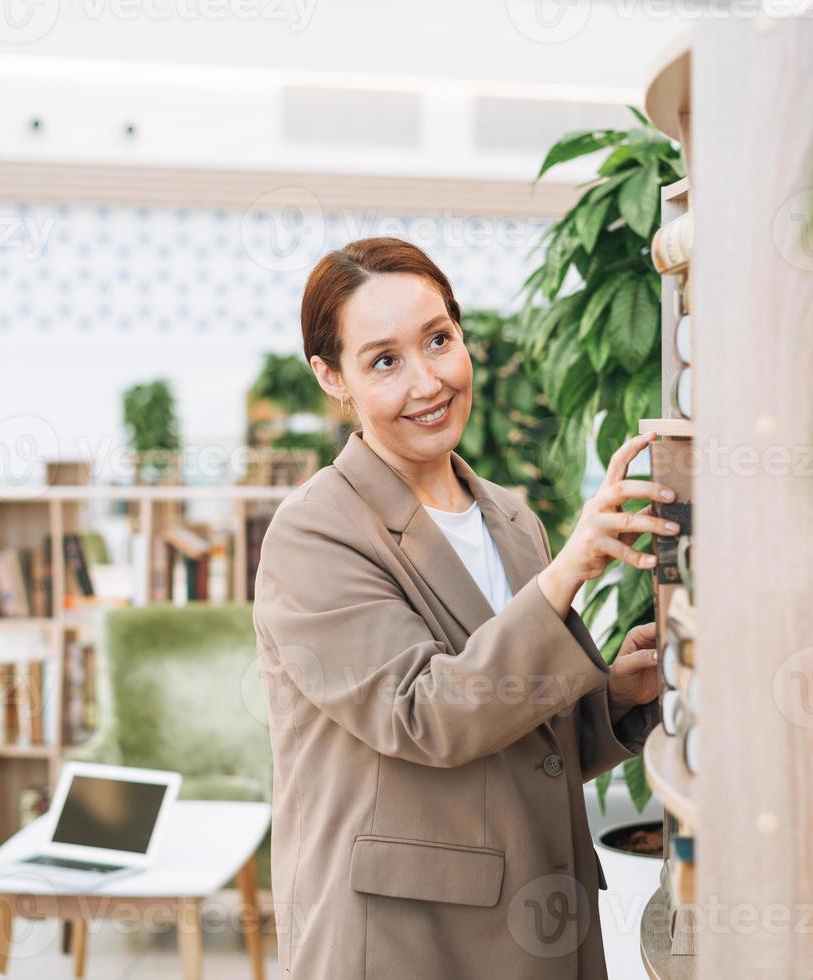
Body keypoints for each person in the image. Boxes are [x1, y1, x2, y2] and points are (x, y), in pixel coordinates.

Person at [252, 237, 672, 979]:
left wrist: (614, 698)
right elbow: (423, 714)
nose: (428, 382)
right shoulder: (313, 532)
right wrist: (570, 570)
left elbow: (520, 731)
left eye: (439, 341)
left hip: (540, 913)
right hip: (404, 939)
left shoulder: (510, 519)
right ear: (331, 377)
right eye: (384, 361)